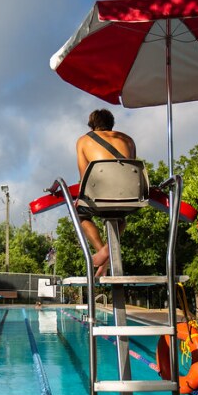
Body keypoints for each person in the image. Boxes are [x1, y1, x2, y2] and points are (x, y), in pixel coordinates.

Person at [75, 108, 137, 278]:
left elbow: (84, 177)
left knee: (80, 217)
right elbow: (131, 171)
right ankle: (109, 252)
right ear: (111, 124)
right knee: (120, 216)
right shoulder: (128, 139)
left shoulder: (83, 140)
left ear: (92, 125)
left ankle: (104, 252)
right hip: (130, 196)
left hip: (100, 194)